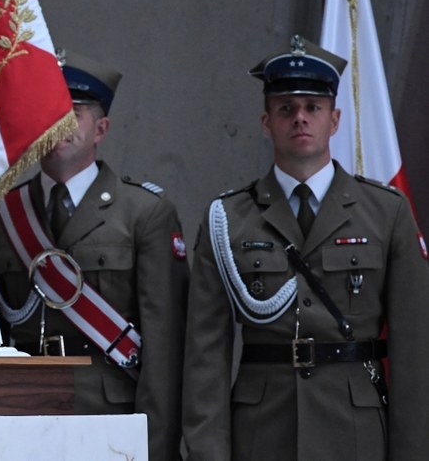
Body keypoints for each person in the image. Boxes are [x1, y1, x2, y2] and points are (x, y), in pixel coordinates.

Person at [182, 35, 429, 460]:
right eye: (286, 109)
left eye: (312, 108)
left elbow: (414, 354)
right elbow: (205, 356)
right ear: (266, 122)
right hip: (261, 432)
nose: (299, 118)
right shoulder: (227, 218)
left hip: (353, 432)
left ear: (334, 121)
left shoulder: (385, 212)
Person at [0, 48, 189, 460]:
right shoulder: (1, 212)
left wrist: (155, 445)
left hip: (110, 417)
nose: (58, 122)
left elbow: (164, 349)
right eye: (48, 110)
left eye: (72, 112)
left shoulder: (145, 212)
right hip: (23, 415)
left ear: (101, 128)